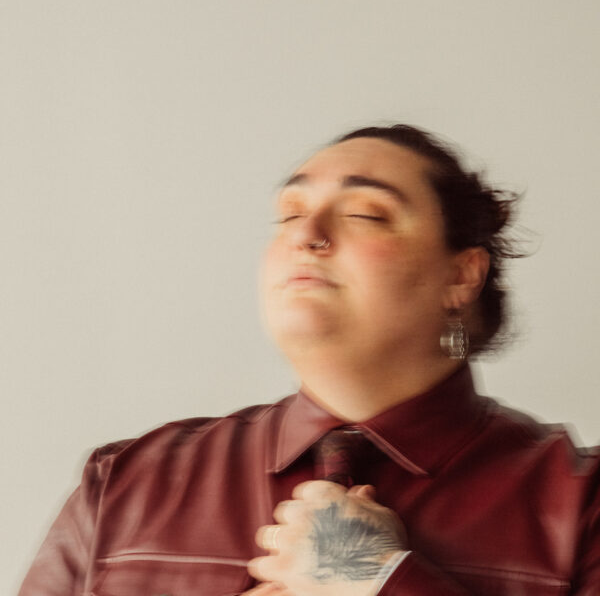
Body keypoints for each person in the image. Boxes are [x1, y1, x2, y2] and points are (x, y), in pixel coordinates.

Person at [19, 125, 600, 596]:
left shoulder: (582, 503)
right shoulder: (123, 484)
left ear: (462, 275)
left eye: (366, 213)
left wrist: (382, 581)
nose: (308, 235)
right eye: (291, 213)